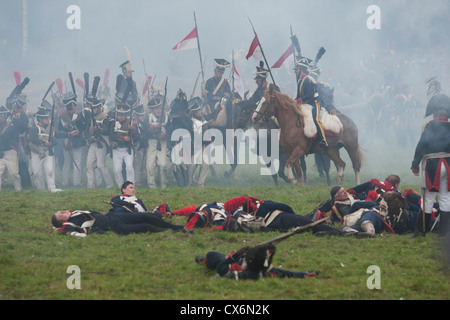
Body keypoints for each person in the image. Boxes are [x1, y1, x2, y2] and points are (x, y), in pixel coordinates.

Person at [411, 93, 450, 236]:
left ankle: (421, 231)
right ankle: (444, 232)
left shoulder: (430, 127)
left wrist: (415, 165)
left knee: (428, 198)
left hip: (434, 166)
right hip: (449, 166)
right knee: (445, 198)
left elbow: (421, 147)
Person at [196, 243, 320, 280]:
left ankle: (204, 261)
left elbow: (221, 269)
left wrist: (237, 254)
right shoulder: (267, 271)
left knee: (212, 256)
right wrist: (309, 273)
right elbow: (289, 274)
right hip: (240, 261)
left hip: (229, 263)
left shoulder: (238, 272)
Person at [51, 209, 186, 237]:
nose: (63, 212)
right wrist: (58, 229)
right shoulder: (69, 224)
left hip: (114, 216)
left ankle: (178, 227)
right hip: (113, 226)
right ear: (62, 220)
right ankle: (174, 231)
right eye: (60, 215)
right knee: (145, 227)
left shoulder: (73, 212)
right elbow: (75, 233)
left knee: (145, 216)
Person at [294, 56, 328, 150]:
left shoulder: (309, 80)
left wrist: (299, 101)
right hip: (305, 104)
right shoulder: (300, 81)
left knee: (316, 119)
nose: (295, 71)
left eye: (296, 69)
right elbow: (298, 96)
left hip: (314, 103)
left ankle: (323, 139)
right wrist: (293, 102)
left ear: (301, 70)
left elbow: (310, 95)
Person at [55, 90, 86, 188]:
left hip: (66, 142)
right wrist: (70, 133)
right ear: (73, 106)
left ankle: (65, 182)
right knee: (77, 162)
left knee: (66, 163)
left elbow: (59, 131)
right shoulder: (79, 116)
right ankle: (76, 183)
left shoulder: (62, 117)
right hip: (75, 143)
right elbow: (82, 129)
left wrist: (67, 134)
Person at [28, 107, 61, 192]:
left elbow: (57, 134)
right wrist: (43, 142)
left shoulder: (50, 128)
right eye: (45, 118)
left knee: (50, 171)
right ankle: (41, 190)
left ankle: (52, 188)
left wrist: (69, 133)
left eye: (47, 118)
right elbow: (33, 139)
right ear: (40, 119)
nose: (47, 120)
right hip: (37, 152)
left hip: (48, 152)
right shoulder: (34, 128)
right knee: (36, 173)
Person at [85, 97, 114, 189]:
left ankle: (110, 184)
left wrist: (99, 129)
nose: (93, 110)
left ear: (99, 108)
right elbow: (87, 132)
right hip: (93, 143)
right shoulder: (91, 118)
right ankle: (91, 185)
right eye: (92, 108)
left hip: (101, 144)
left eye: (95, 108)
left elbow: (107, 131)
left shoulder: (105, 118)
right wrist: (91, 132)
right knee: (89, 164)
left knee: (100, 165)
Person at [142, 96, 168, 189]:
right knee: (150, 165)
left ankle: (163, 185)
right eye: (157, 108)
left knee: (163, 165)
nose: (159, 110)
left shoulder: (166, 117)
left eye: (160, 108)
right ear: (152, 109)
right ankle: (152, 186)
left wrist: (164, 135)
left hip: (162, 142)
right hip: (151, 142)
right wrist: (154, 128)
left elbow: (170, 130)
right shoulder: (147, 118)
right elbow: (144, 130)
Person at [187, 97, 210, 187]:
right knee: (192, 166)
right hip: (193, 147)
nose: (201, 111)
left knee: (205, 165)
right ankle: (188, 183)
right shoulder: (190, 122)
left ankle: (200, 184)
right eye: (199, 110)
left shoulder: (203, 120)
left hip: (202, 147)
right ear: (194, 112)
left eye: (201, 109)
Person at [203, 58, 231, 126]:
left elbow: (229, 93)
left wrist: (228, 95)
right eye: (218, 71)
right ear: (215, 71)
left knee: (224, 108)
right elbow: (206, 92)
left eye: (221, 72)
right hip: (210, 101)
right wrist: (205, 93)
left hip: (221, 101)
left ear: (223, 72)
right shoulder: (209, 81)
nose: (219, 73)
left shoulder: (225, 82)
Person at [0, 105, 22, 191]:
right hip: (1, 153)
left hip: (10, 152)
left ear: (4, 116)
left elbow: (7, 139)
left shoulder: (10, 127)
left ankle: (18, 190)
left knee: (14, 174)